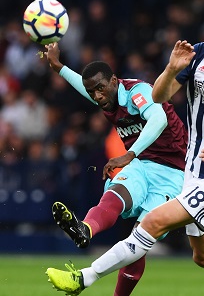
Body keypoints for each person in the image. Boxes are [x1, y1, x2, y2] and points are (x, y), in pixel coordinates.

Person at [46, 0, 204, 296]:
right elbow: (159, 97)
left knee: (153, 221)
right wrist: (171, 69)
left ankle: (84, 277)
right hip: (193, 173)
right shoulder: (198, 55)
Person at [45, 42, 187, 296]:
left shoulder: (136, 92)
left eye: (101, 88)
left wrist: (128, 154)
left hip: (173, 172)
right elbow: (84, 85)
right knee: (118, 189)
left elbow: (159, 118)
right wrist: (59, 68)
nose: (97, 96)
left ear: (113, 81)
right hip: (141, 165)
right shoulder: (104, 96)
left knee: (139, 240)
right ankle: (85, 228)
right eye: (93, 92)